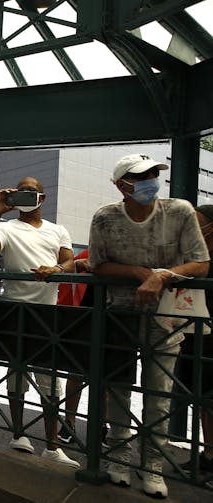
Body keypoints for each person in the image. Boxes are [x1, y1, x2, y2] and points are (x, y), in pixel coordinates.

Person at [89, 154, 209, 498]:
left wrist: (163, 275)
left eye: (154, 173)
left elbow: (200, 263)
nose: (150, 179)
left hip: (167, 316)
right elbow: (98, 264)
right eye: (140, 175)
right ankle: (118, 458)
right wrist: (141, 274)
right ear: (121, 185)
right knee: (117, 389)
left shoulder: (180, 211)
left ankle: (153, 464)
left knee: (160, 392)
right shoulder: (105, 218)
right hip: (119, 312)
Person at [0, 176, 80, 469]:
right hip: (16, 311)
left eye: (31, 192)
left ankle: (53, 445)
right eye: (20, 192)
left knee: (51, 380)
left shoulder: (58, 229)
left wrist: (56, 269)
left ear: (42, 197)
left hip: (47, 312)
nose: (26, 196)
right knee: (17, 375)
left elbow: (70, 262)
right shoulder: (8, 227)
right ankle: (18, 433)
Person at [55, 250, 108, 448]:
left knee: (105, 380)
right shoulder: (85, 255)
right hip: (81, 320)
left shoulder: (125, 258)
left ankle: (101, 427)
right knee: (75, 373)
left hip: (111, 322)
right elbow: (67, 288)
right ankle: (69, 423)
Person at [175, 205, 213, 479]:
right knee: (200, 393)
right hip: (192, 332)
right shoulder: (191, 256)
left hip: (208, 332)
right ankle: (208, 452)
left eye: (197, 224)